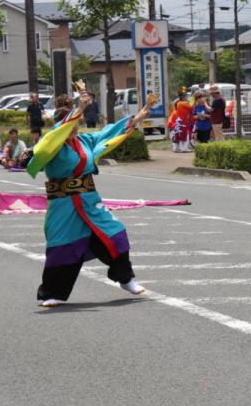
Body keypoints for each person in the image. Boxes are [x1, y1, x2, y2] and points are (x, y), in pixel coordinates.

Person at [27, 87, 155, 306]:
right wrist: (80, 107)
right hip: (63, 204)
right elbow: (49, 142)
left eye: (77, 123)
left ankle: (126, 278)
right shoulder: (51, 145)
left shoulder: (85, 141)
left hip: (90, 201)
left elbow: (109, 133)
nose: (75, 127)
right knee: (62, 247)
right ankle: (51, 293)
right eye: (70, 123)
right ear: (59, 126)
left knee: (115, 234)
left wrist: (136, 119)